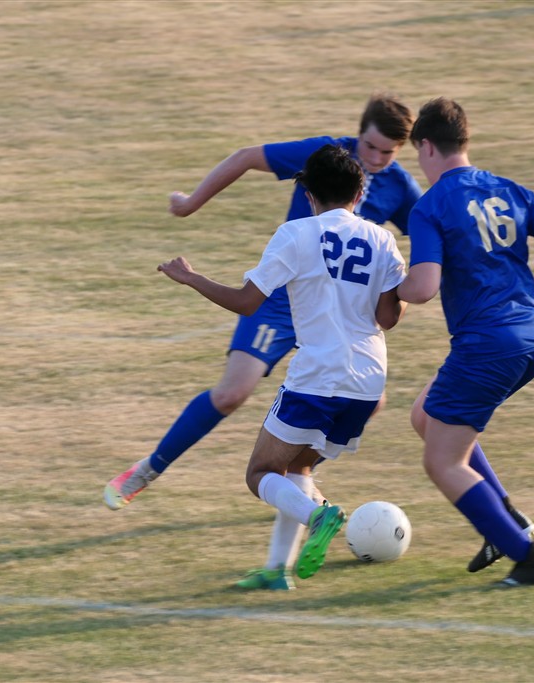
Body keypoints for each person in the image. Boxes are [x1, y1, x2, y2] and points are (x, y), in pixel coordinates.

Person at [104, 94, 422, 512]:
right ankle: (149, 469)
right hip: (281, 298)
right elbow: (246, 157)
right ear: (358, 134)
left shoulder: (400, 186)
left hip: (336, 310)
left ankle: (299, 484)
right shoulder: (324, 156)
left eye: (388, 152)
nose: (377, 159)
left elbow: (431, 230)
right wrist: (190, 203)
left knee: (369, 401)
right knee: (231, 394)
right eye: (371, 147)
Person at [155, 145, 407, 587]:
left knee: (260, 474)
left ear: (309, 195)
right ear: (359, 193)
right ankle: (277, 571)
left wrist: (192, 278)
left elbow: (247, 303)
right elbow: (388, 317)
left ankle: (318, 516)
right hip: (368, 383)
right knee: (297, 469)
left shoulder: (296, 234)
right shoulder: (382, 239)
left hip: (317, 378)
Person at [397, 97, 534, 587]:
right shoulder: (509, 189)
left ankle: (529, 557)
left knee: (442, 461)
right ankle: (507, 518)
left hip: (486, 345)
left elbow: (422, 288)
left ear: (426, 146)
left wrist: (382, 286)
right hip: (531, 338)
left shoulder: (431, 206)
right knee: (425, 415)